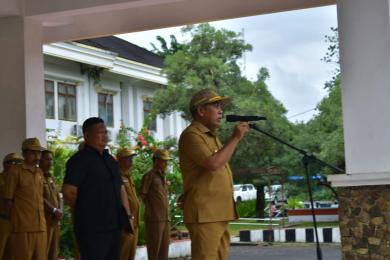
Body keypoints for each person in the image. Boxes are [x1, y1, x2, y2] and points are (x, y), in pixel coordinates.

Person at [178, 89, 250, 260]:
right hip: (205, 214)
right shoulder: (191, 135)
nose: (221, 111)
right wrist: (235, 138)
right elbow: (213, 163)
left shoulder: (211, 136)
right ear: (201, 111)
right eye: (216, 106)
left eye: (221, 106)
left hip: (217, 212)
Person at [62, 117, 133, 260]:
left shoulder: (110, 161)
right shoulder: (79, 161)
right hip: (92, 229)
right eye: (100, 132)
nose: (105, 135)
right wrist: (87, 211)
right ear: (87, 136)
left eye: (105, 132)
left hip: (114, 226)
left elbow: (121, 189)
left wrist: (128, 216)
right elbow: (69, 192)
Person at [3, 138, 48, 260]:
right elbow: (8, 199)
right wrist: (12, 222)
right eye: (33, 152)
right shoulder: (15, 171)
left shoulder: (39, 172)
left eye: (39, 152)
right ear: (24, 153)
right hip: (22, 227)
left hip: (40, 226)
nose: (37, 156)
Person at [140, 149, 172, 260]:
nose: (166, 164)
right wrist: (152, 210)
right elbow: (143, 196)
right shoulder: (149, 176)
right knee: (154, 250)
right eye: (164, 161)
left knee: (164, 251)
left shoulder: (163, 176)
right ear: (157, 161)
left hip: (166, 218)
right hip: (154, 219)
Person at [117, 148, 140, 260]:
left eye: (131, 159)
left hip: (134, 222)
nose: (131, 162)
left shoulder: (128, 176)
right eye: (128, 159)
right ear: (119, 160)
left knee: (131, 253)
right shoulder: (117, 177)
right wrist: (128, 217)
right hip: (125, 222)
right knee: (123, 253)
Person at [40, 150, 62, 260]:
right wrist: (54, 210)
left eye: (51, 159)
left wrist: (60, 210)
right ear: (40, 160)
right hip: (45, 220)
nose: (50, 162)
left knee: (53, 252)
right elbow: (40, 198)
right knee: (44, 251)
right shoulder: (38, 176)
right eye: (46, 159)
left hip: (55, 221)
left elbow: (58, 196)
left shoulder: (51, 177)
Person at [0, 153, 23, 259]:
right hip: (3, 221)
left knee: (13, 253)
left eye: (19, 163)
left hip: (18, 222)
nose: (17, 165)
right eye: (13, 162)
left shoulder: (20, 181)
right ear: (5, 165)